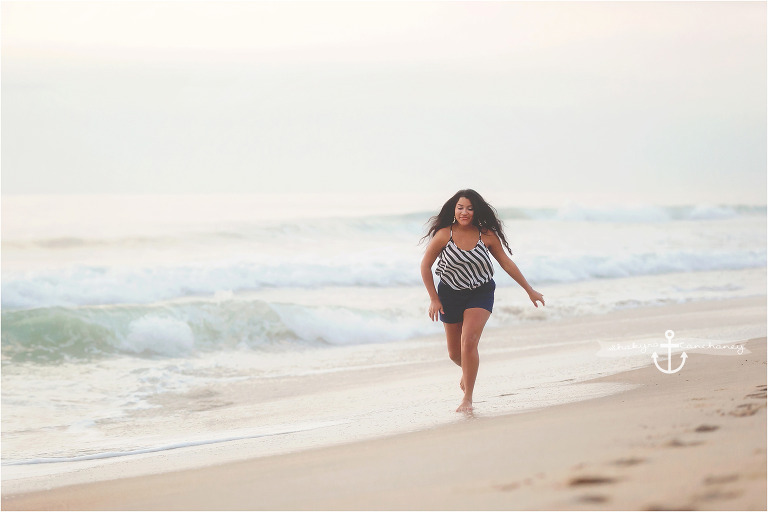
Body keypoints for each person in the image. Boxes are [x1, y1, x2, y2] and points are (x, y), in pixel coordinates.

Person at [420, 189, 544, 413]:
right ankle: (468, 370)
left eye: (469, 208)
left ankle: (467, 398)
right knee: (455, 354)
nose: (464, 212)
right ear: (454, 210)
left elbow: (506, 263)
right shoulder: (443, 234)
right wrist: (433, 299)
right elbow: (425, 266)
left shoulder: (486, 235)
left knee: (469, 341)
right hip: (449, 294)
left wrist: (529, 289)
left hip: (480, 291)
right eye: (460, 208)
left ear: (476, 211)